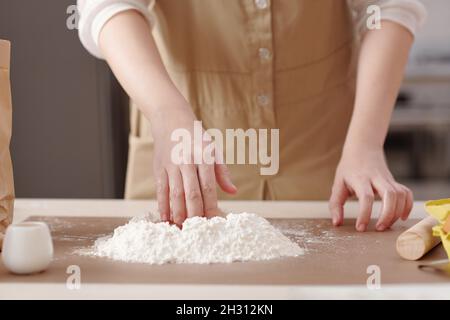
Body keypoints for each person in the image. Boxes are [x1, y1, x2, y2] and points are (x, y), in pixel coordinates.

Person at [77, 0, 426, 231]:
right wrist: (166, 111)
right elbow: (109, 6)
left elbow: (390, 6)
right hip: (181, 158)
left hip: (326, 161)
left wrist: (365, 144)